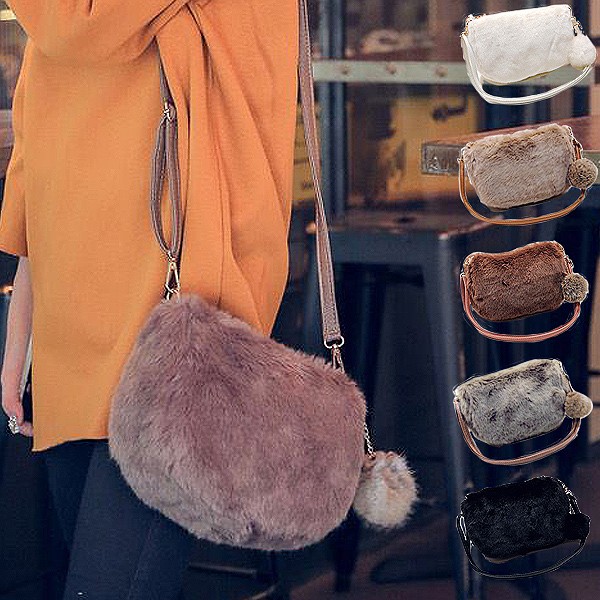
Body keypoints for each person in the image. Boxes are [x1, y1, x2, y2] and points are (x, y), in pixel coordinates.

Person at [0, 2, 300, 598]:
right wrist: (22, 335)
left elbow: (38, 155)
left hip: (155, 337)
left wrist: (23, 330)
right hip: (150, 323)